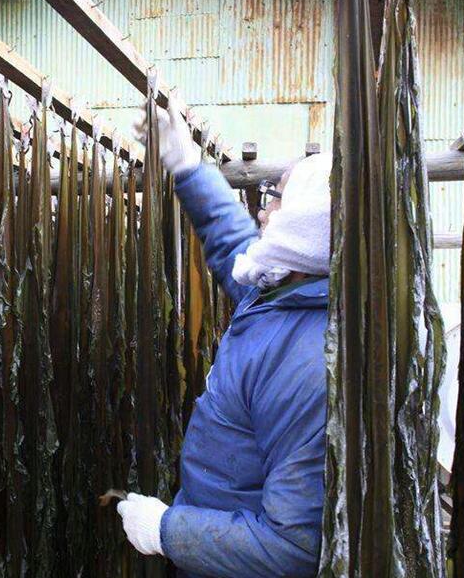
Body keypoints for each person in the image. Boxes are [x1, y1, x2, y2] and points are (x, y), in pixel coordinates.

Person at [118, 101, 331, 577]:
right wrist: (188, 166)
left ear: (305, 222)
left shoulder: (310, 362)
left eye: (276, 199)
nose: (264, 211)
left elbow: (291, 550)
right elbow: (231, 240)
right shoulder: (279, 291)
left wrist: (166, 531)